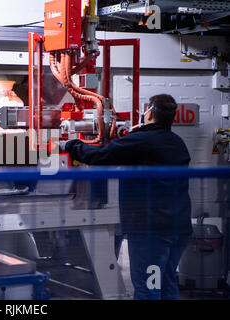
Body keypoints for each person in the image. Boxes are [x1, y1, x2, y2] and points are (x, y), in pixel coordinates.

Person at [59, 94, 192, 300]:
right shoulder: (177, 142)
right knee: (165, 282)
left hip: (151, 232)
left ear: (149, 114)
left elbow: (99, 155)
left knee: (149, 287)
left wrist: (70, 145)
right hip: (179, 228)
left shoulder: (142, 140)